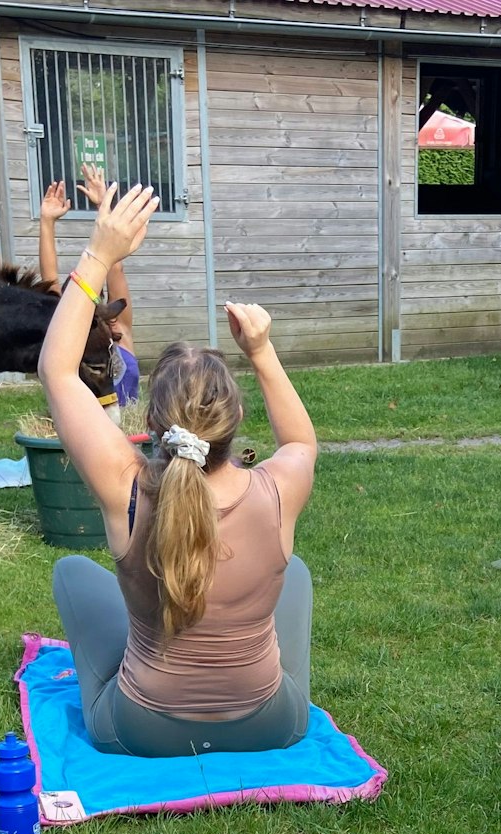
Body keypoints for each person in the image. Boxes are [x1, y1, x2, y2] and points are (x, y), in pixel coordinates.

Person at [38, 182, 319, 758]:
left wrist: (99, 253)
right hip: (273, 727)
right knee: (295, 574)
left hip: (139, 732)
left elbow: (57, 371)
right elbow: (300, 440)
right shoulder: (278, 491)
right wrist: (262, 351)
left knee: (72, 571)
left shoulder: (128, 491)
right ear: (235, 417)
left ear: (153, 423)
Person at [40, 163, 139, 412]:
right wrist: (47, 221)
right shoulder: (66, 343)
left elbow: (114, 265)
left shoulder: (120, 332)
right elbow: (49, 280)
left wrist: (103, 205)